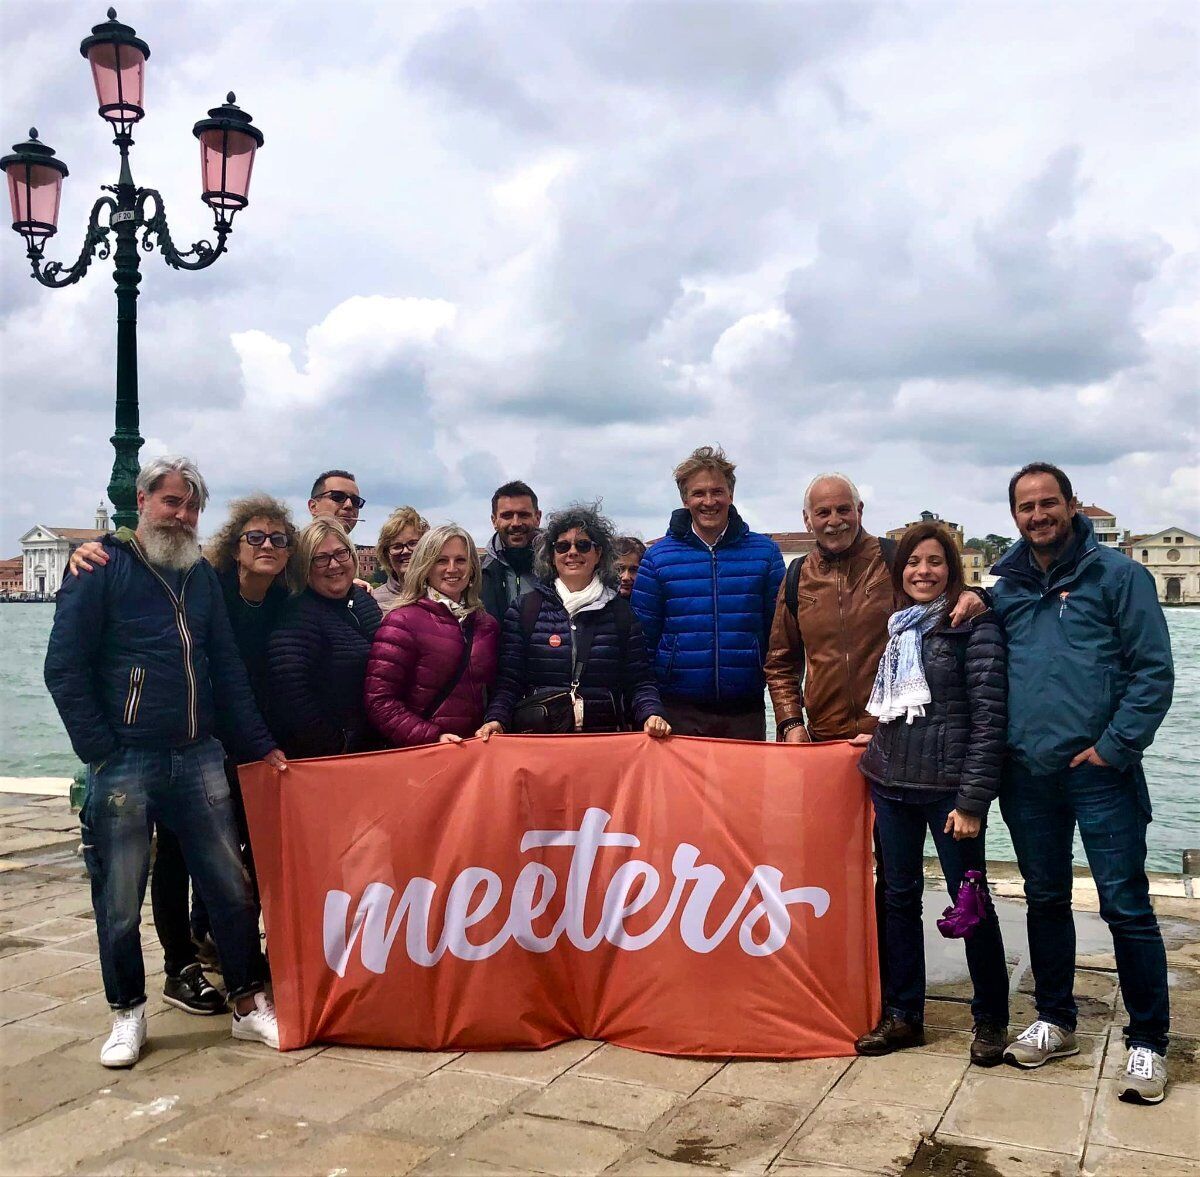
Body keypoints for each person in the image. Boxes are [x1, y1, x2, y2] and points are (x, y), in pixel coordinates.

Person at [44, 457, 285, 1068]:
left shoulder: (200, 578)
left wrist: (259, 745)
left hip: (198, 753)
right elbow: (63, 668)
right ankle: (126, 1012)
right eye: (172, 502)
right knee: (119, 897)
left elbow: (225, 669)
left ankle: (248, 1005)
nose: (181, 516)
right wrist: (101, 749)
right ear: (144, 500)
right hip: (124, 759)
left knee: (230, 888)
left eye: (192, 507)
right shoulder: (100, 569)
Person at [990, 463, 1174, 1103]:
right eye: (1025, 507)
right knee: (1044, 900)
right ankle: (1055, 1019)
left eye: (1047, 503)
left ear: (1071, 506)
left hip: (1102, 775)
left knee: (1126, 906)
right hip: (1027, 774)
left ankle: (1148, 1042)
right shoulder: (1006, 585)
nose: (1037, 516)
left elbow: (1153, 672)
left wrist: (1113, 748)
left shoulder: (1120, 576)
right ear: (1013, 515)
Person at [853, 523, 1009, 1066]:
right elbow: (902, 704)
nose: (924, 571)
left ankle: (990, 1018)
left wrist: (972, 801)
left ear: (952, 569)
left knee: (971, 903)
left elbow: (990, 720)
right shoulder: (898, 629)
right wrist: (875, 735)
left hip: (948, 791)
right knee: (896, 899)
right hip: (891, 784)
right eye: (913, 562)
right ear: (901, 573)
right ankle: (903, 1016)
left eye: (935, 561)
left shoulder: (974, 626)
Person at [165, 494, 297, 971]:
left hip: (260, 740)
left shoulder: (286, 602)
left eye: (278, 539)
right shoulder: (210, 590)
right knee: (198, 851)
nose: (266, 545)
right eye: (255, 537)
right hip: (207, 739)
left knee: (248, 842)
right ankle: (192, 952)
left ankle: (225, 944)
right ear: (235, 545)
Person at [765, 473, 984, 743]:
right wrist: (791, 722)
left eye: (843, 509)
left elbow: (943, 595)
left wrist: (977, 594)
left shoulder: (894, 559)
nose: (835, 521)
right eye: (823, 512)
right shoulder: (797, 575)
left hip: (893, 736)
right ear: (807, 519)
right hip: (824, 738)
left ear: (859, 510)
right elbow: (780, 662)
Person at [478, 504, 671, 739]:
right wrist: (496, 719)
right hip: (540, 740)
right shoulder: (524, 610)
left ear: (599, 553)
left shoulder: (622, 614)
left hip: (603, 742)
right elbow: (509, 682)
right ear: (551, 555)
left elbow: (639, 682)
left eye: (583, 545)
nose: (572, 552)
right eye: (561, 546)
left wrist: (651, 714)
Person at [630, 447, 783, 739]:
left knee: (743, 787)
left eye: (718, 491)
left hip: (745, 709)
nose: (709, 501)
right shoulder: (657, 558)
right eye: (699, 493)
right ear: (685, 499)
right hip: (677, 710)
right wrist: (650, 707)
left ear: (731, 495)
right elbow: (643, 644)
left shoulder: (765, 554)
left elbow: (779, 637)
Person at [364, 525, 499, 746]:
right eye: (441, 560)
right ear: (426, 566)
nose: (452, 568)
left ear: (473, 567)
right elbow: (380, 701)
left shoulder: (486, 624)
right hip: (425, 753)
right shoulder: (401, 622)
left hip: (475, 751)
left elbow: (496, 687)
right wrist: (431, 736)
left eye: (461, 560)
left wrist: (496, 718)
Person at [266, 518, 384, 759]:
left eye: (341, 554)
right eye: (320, 558)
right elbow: (291, 695)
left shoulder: (363, 601)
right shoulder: (296, 615)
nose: (334, 565)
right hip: (330, 757)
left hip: (374, 746)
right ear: (304, 566)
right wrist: (336, 744)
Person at [481, 480, 542, 622]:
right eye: (507, 515)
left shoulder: (558, 568)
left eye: (523, 515)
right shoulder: (476, 573)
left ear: (537, 517)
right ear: (494, 521)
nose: (516, 523)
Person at [372, 506, 430, 613]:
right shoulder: (373, 601)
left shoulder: (441, 595)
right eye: (397, 546)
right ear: (386, 555)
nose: (405, 551)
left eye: (413, 543)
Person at [307, 469, 365, 534]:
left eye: (355, 501)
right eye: (338, 497)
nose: (349, 505)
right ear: (313, 507)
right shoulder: (294, 543)